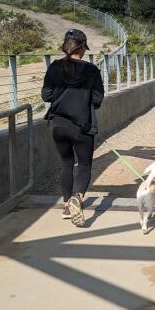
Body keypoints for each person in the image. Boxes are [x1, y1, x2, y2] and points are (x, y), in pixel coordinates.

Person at [41, 29, 104, 227]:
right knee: (84, 166)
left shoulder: (54, 67)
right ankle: (77, 198)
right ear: (83, 47)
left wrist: (63, 96)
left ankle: (67, 205)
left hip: (58, 124)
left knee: (67, 164)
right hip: (82, 126)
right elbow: (97, 99)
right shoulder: (91, 70)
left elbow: (46, 95)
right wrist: (82, 101)